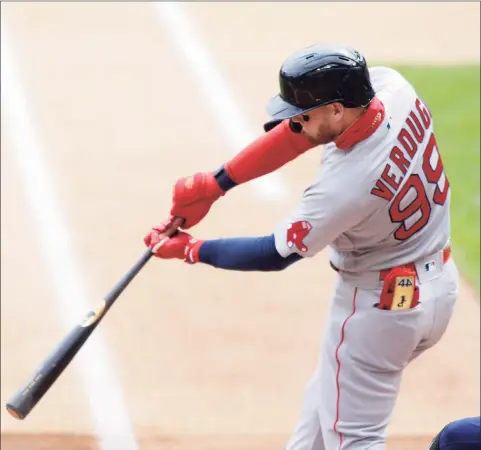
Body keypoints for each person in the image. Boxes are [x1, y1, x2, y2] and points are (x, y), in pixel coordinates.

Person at [144, 43, 459, 449]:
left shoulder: (345, 186)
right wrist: (217, 183)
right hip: (435, 288)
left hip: (378, 313)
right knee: (321, 415)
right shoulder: (391, 89)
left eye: (304, 113)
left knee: (355, 439)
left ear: (336, 110)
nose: (295, 122)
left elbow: (272, 254)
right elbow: (296, 136)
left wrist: (189, 249)